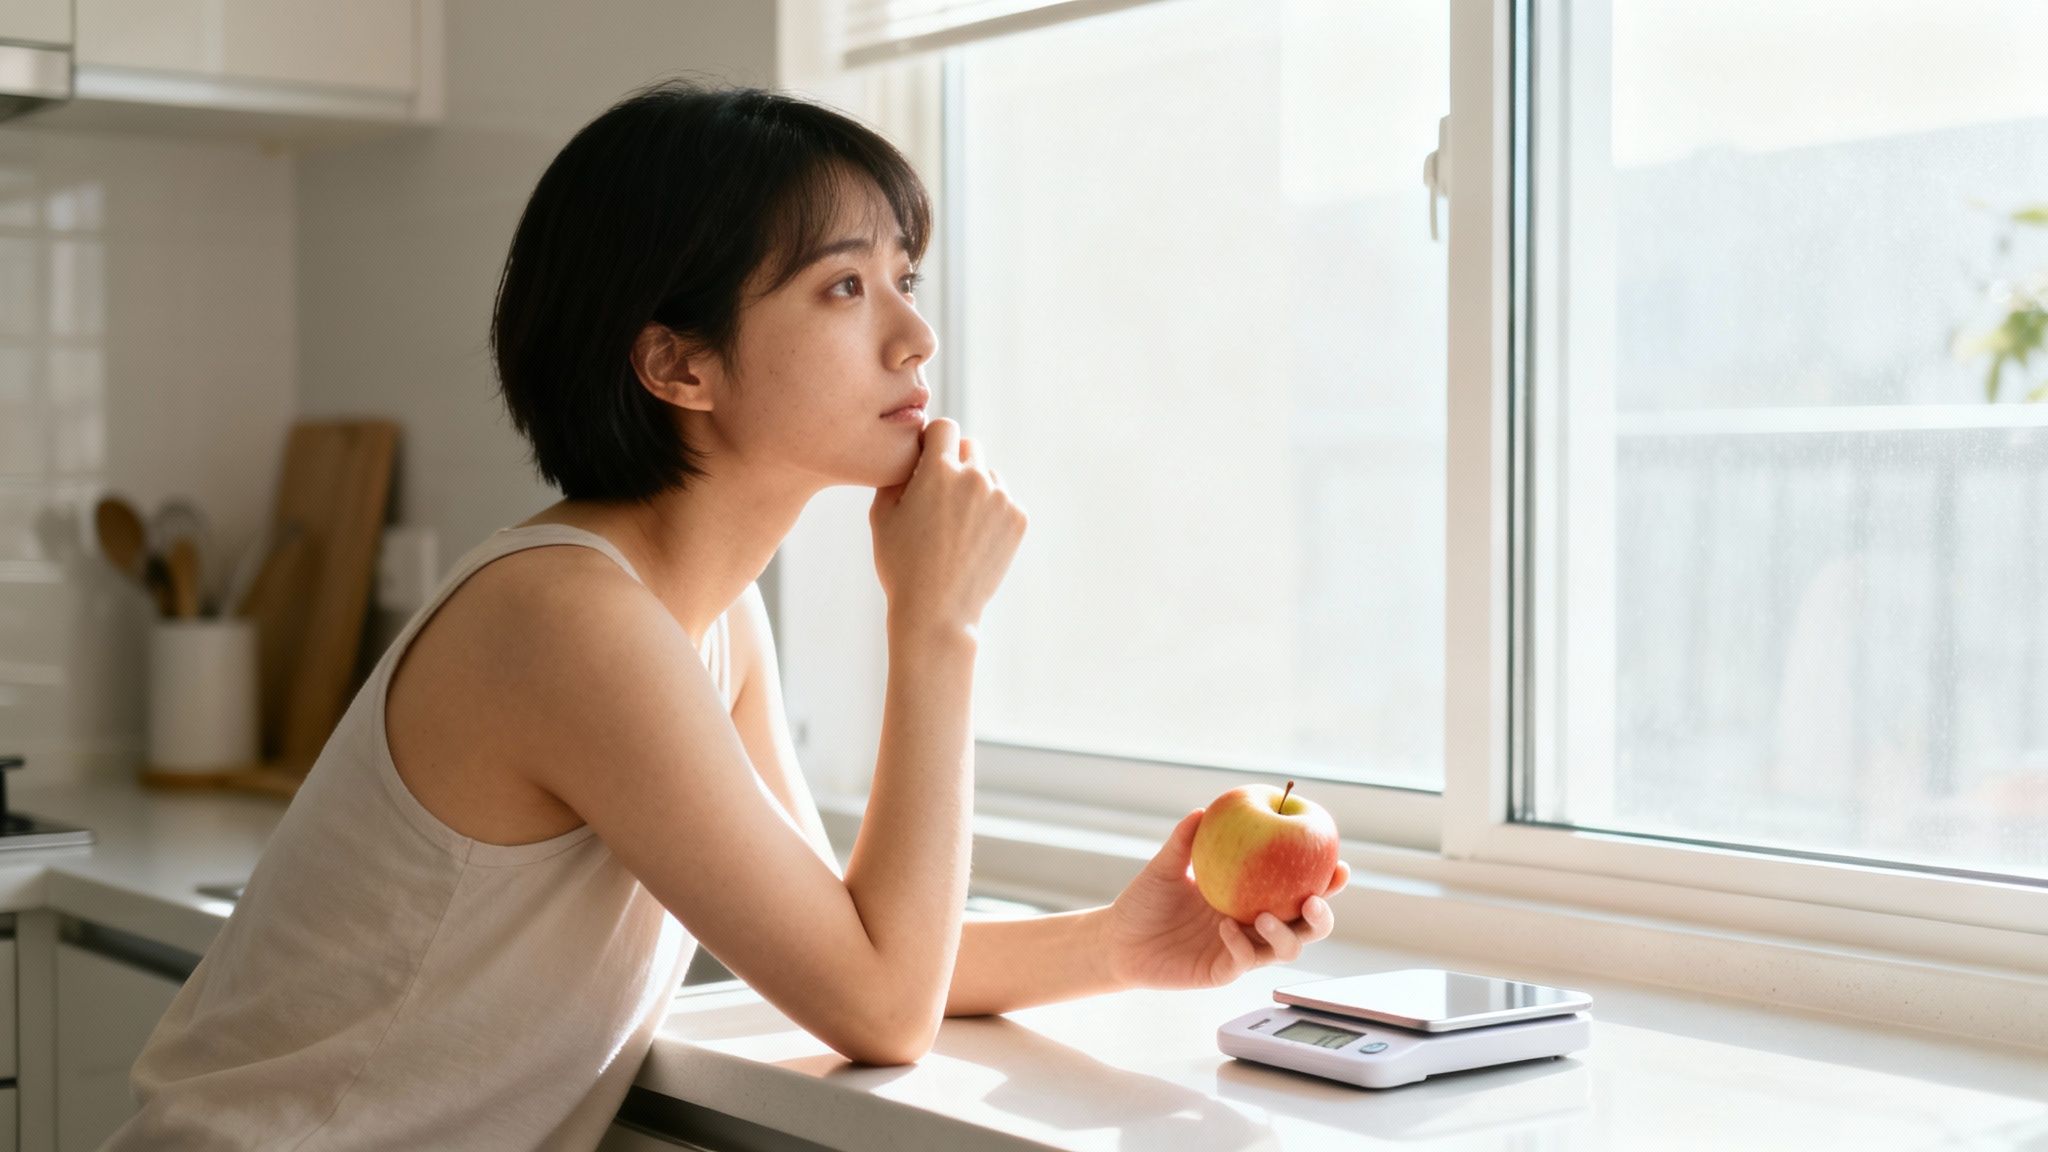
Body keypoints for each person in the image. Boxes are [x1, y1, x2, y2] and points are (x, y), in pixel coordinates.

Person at [105, 80, 1351, 1150]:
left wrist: (1117, 947)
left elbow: (852, 946)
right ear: (679, 366)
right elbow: (878, 1006)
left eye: (904, 280)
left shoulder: (701, 618)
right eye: (844, 288)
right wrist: (936, 626)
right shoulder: (565, 619)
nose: (914, 337)